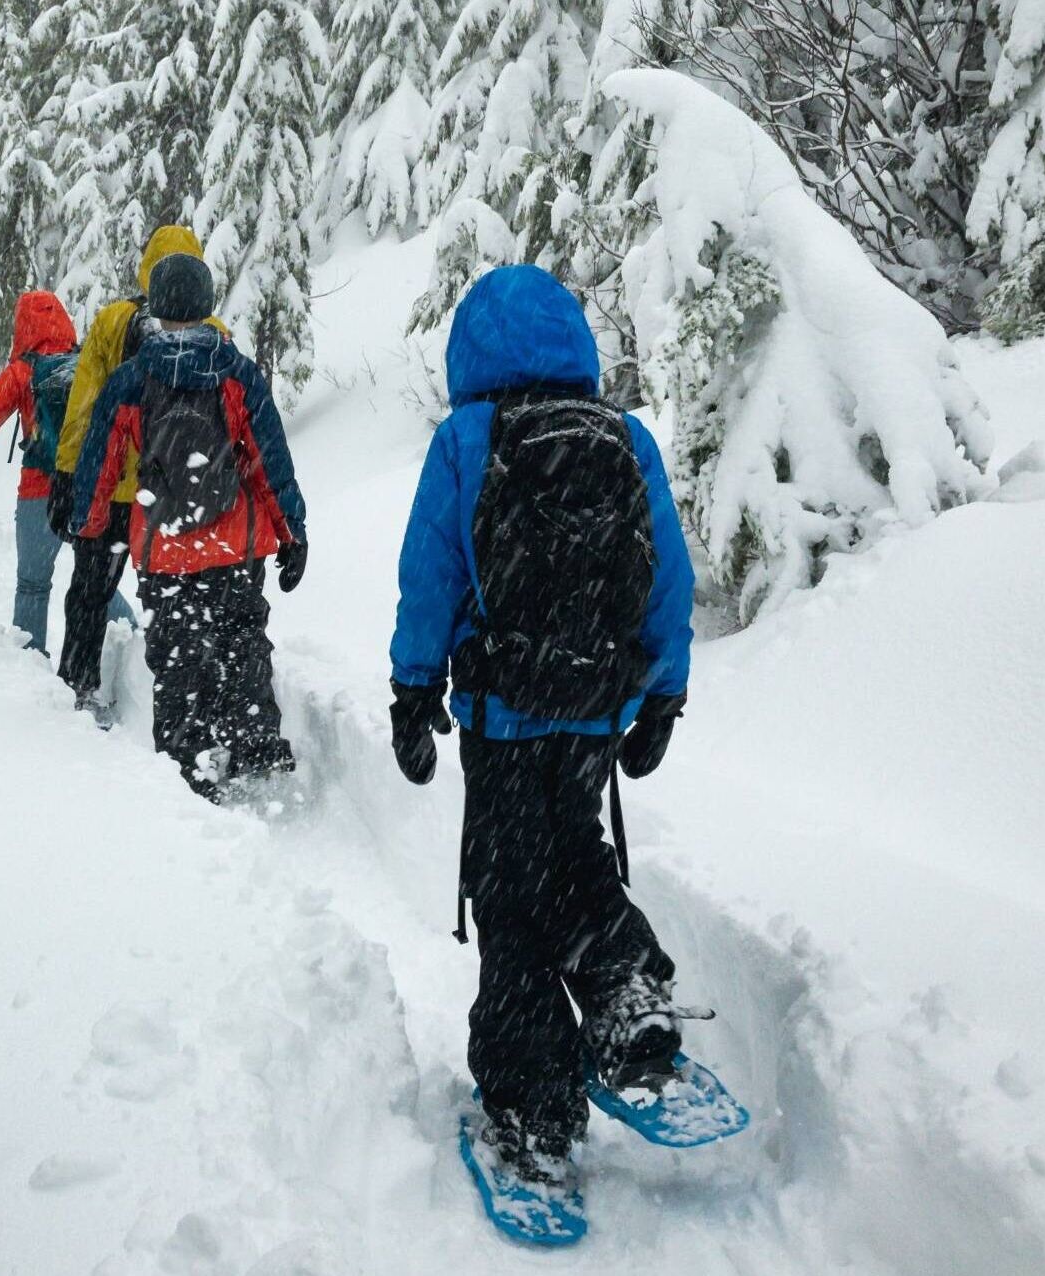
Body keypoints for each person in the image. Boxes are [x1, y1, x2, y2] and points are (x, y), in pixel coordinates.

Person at [387, 265, 695, 1193]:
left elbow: (430, 575)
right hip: (595, 708)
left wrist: (412, 692)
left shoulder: (468, 439)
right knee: (575, 849)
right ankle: (625, 985)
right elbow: (668, 578)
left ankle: (535, 1104)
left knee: (508, 892)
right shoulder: (625, 438)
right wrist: (664, 698)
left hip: (501, 714)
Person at [70, 253, 308, 799]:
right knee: (242, 641)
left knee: (178, 659)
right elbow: (272, 460)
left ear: (154, 306)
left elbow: (99, 462)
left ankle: (188, 766)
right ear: (207, 304)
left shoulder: (132, 380)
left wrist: (89, 523)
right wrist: (291, 531)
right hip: (236, 546)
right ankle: (255, 748)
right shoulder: (238, 374)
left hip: (164, 549)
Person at [49, 226, 227, 713]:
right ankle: (189, 707)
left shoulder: (111, 321)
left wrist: (67, 477)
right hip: (177, 497)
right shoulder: (215, 334)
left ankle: (77, 686)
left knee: (89, 592)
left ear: (147, 266)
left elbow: (84, 409)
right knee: (181, 603)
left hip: (112, 491)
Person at [0, 290, 133, 654]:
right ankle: (133, 642)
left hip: (39, 494)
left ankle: (30, 673)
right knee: (95, 579)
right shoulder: (86, 363)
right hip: (85, 489)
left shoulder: (21, 373)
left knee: (32, 585)